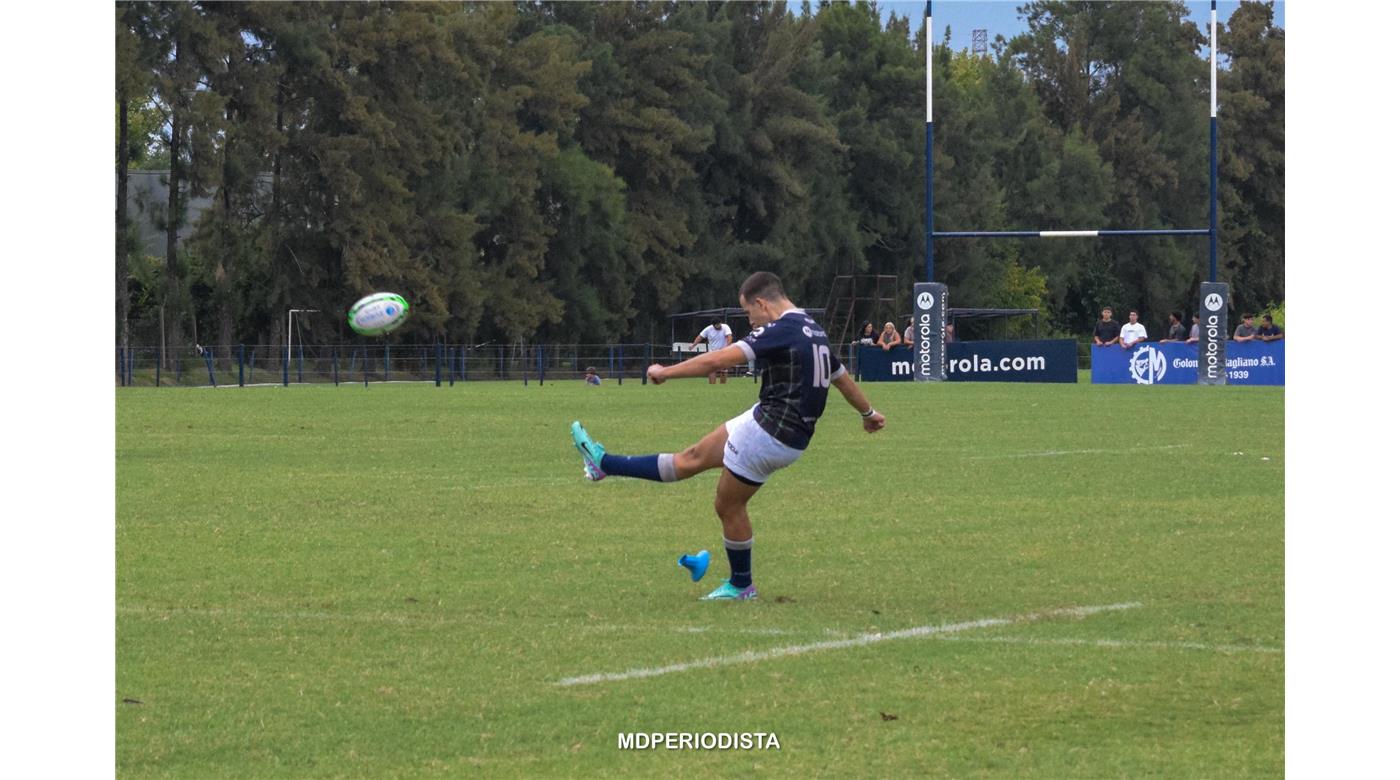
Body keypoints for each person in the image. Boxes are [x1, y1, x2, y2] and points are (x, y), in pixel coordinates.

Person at [571, 271, 886, 601]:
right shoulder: (813, 330)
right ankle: (603, 464)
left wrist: (666, 372)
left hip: (772, 431)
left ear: (762, 303)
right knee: (691, 459)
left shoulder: (780, 330)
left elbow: (719, 360)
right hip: (776, 422)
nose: (750, 321)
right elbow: (842, 378)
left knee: (728, 504)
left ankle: (740, 585)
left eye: (749, 312)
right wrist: (868, 414)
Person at [692, 317, 734, 384]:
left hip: (723, 352)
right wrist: (693, 345)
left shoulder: (725, 327)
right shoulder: (708, 329)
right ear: (713, 325)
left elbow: (729, 337)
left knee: (723, 369)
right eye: (717, 325)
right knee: (712, 369)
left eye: (720, 324)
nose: (719, 326)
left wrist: (727, 348)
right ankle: (712, 386)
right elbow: (700, 337)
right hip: (712, 352)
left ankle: (723, 385)